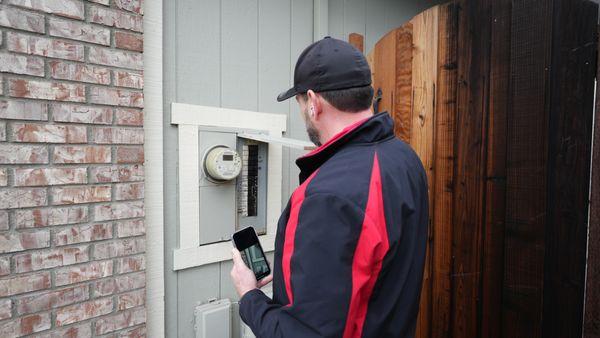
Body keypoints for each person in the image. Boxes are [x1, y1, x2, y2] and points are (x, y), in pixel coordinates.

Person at [230, 36, 429, 338]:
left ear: (313, 102)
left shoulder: (327, 195)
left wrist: (249, 297)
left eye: (299, 104)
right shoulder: (404, 158)